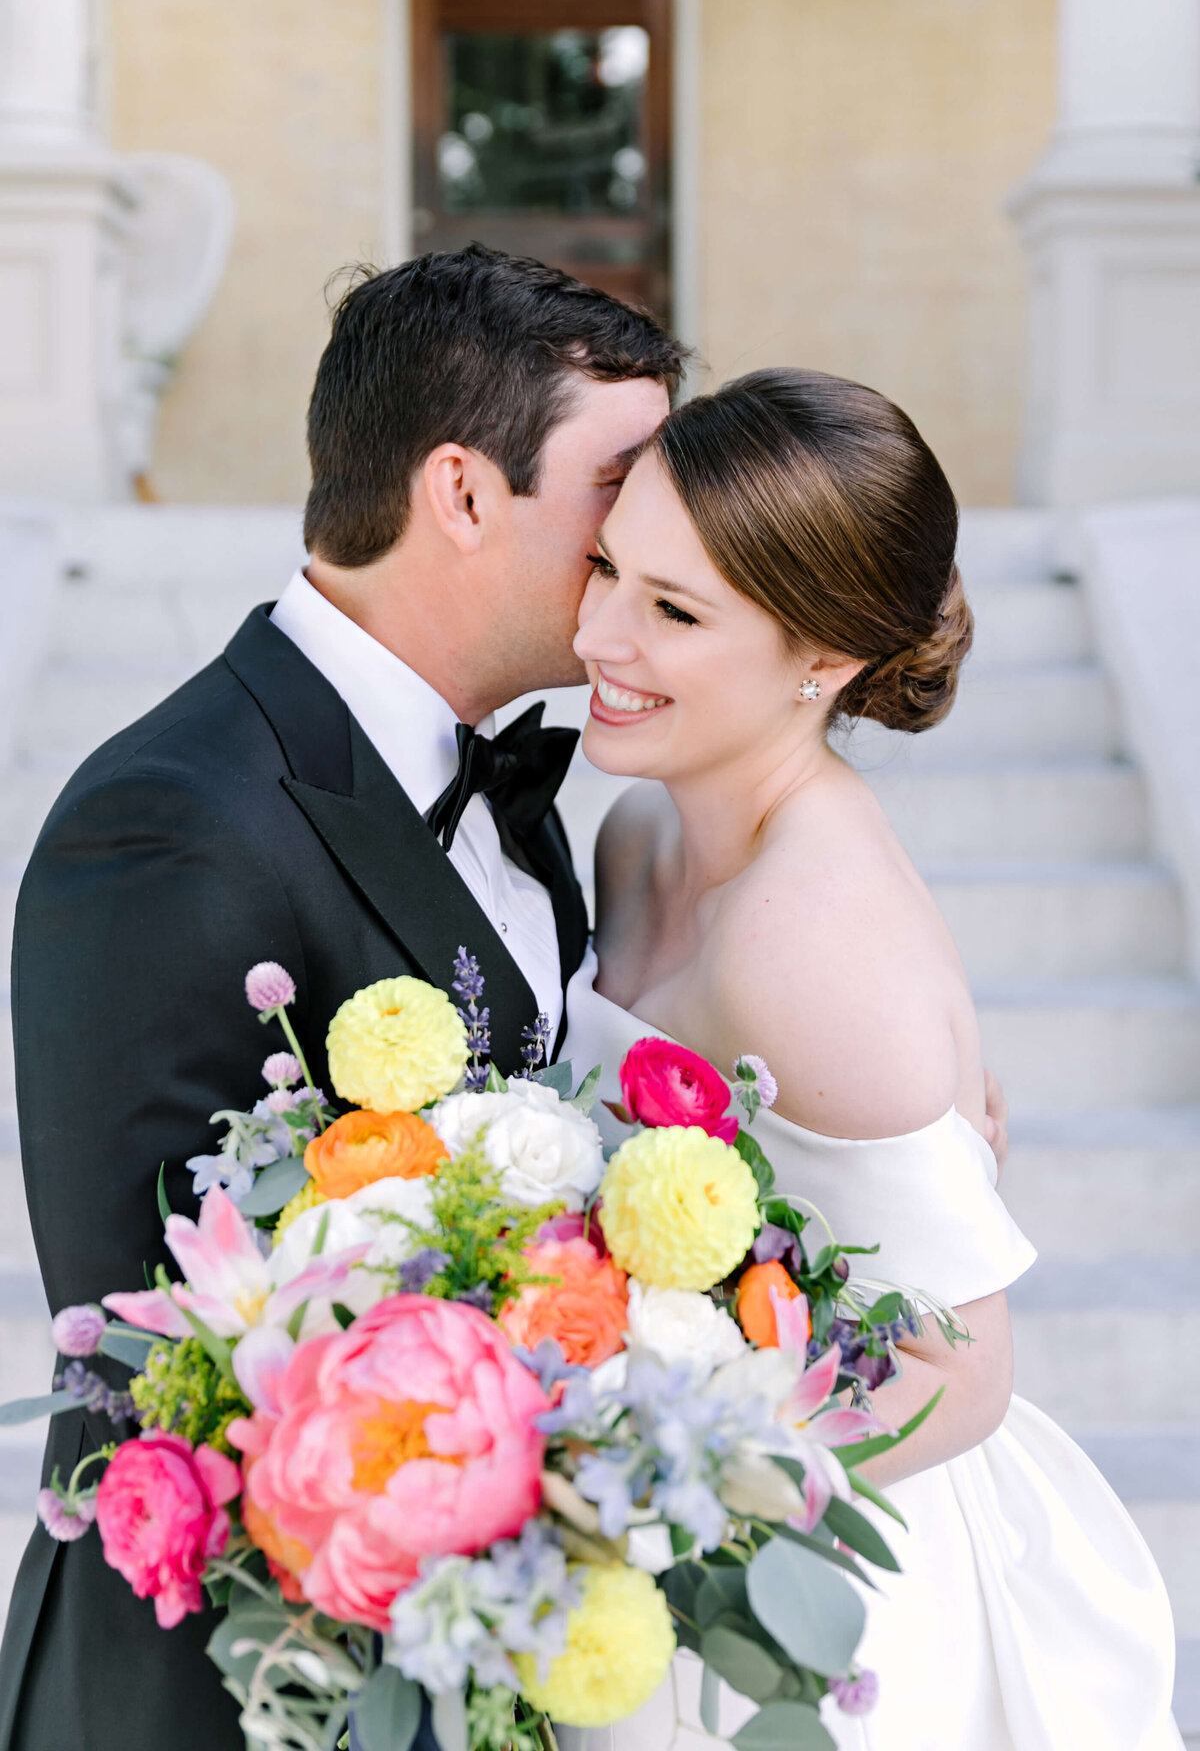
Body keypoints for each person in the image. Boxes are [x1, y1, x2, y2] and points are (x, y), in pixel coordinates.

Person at [0, 246, 683, 1751]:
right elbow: (153, 1350)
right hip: (221, 1681)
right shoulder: (172, 817)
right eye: (621, 484)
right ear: (462, 492)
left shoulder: (513, 784)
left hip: (460, 1645)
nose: (656, 533)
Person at [560, 368, 1182, 1751]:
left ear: (822, 657)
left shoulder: (813, 944)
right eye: (608, 568)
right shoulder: (640, 829)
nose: (600, 630)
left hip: (805, 1588)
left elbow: (963, 1370)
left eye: (672, 610)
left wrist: (658, 1491)